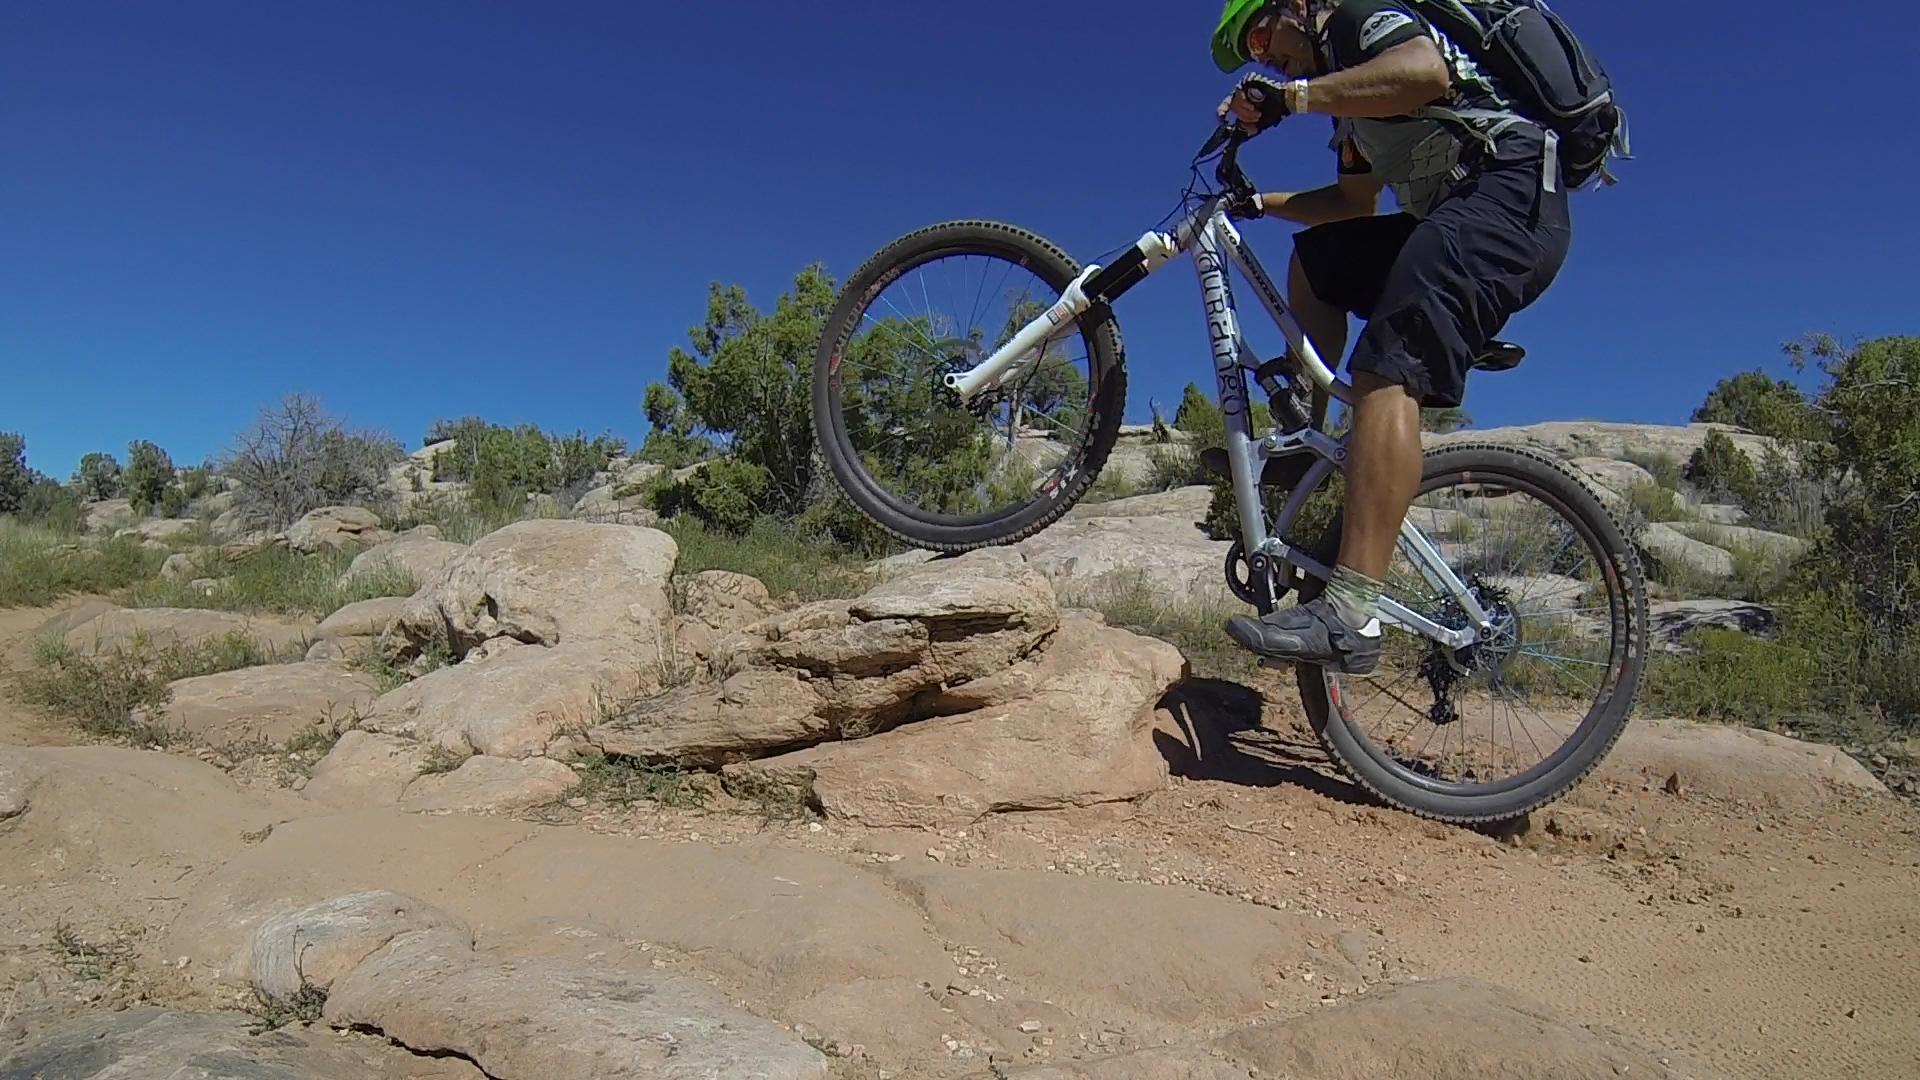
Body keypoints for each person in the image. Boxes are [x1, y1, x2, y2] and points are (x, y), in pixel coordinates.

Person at [1207, 0, 1573, 674]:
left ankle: (1352, 614)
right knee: (1317, 261)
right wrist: (1255, 204)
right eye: (1252, 54)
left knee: (1386, 368)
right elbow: (1352, 204)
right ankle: (1302, 442)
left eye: (1259, 34)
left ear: (1297, 7)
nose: (1264, 56)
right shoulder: (1353, 105)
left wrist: (1290, 97)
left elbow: (1425, 72)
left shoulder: (1356, 20)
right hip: (1460, 215)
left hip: (1508, 199)